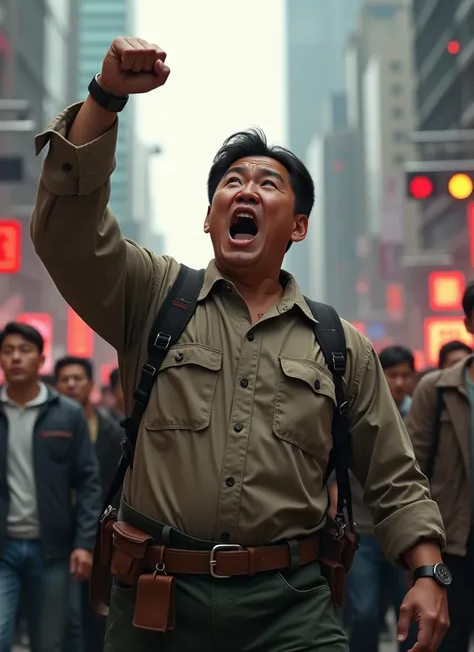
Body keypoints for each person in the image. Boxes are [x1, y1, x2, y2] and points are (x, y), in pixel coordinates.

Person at [30, 36, 449, 652]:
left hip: (292, 608)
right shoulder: (153, 297)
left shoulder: (340, 346)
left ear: (298, 226)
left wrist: (428, 571)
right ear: (209, 216)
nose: (246, 190)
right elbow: (66, 233)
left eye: (268, 183)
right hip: (158, 602)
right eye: (232, 181)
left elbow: (394, 477)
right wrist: (106, 97)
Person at [0, 322, 102, 652]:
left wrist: (85, 544)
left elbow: (88, 482)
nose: (16, 357)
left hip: (54, 549)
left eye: (24, 350)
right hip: (3, 548)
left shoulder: (67, 414)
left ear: (41, 358)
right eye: (8, 350)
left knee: (49, 642)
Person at [330, 345, 418, 652]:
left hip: (402, 529)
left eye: (405, 375)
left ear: (413, 378)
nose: (398, 382)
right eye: (391, 375)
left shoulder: (419, 415)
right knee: (365, 611)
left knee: (407, 611)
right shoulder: (358, 412)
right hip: (364, 529)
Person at [406, 282, 474, 652]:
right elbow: (409, 471)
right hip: (454, 539)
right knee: (449, 637)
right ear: (469, 322)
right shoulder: (437, 389)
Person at [55, 356, 123, 652]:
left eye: (78, 379)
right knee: (64, 619)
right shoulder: (49, 430)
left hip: (105, 536)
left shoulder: (114, 431)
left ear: (91, 385)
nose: (71, 385)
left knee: (99, 614)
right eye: (64, 380)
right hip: (59, 534)